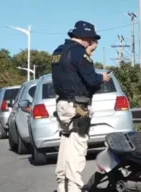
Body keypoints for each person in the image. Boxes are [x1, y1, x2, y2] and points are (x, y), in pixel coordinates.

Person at [51, 20, 110, 192]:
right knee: (77, 149)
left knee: (66, 145)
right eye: (92, 39)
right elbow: (91, 80)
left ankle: (62, 186)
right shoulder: (80, 54)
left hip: (62, 104)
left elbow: (70, 73)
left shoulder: (58, 51)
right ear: (86, 38)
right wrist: (102, 78)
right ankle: (75, 188)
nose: (93, 43)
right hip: (77, 107)